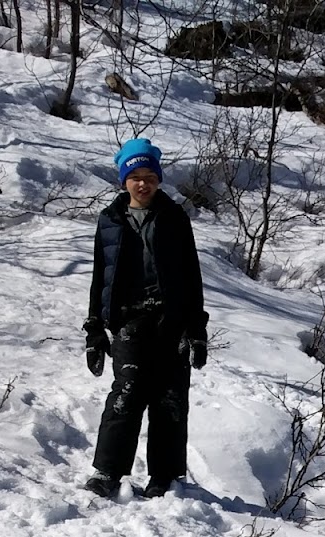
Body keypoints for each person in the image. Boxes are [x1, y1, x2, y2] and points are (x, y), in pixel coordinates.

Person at [83, 138, 208, 500]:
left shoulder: (174, 217)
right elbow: (100, 277)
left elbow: (191, 275)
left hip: (172, 319)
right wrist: (94, 329)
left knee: (169, 397)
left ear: (158, 180)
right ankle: (108, 472)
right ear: (124, 180)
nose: (143, 183)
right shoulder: (110, 220)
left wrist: (197, 329)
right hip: (129, 320)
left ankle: (164, 477)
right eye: (136, 177)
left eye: (150, 177)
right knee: (127, 392)